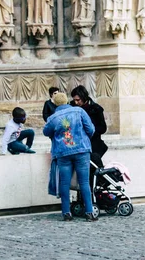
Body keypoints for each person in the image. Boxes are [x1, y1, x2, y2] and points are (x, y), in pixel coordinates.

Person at [43, 92, 97, 222]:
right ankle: (89, 212)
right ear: (67, 101)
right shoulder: (79, 111)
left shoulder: (53, 118)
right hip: (81, 149)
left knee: (64, 183)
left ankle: (66, 212)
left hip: (63, 152)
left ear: (54, 103)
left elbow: (46, 132)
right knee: (84, 182)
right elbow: (90, 129)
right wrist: (84, 138)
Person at [70, 85, 108, 159]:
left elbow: (103, 128)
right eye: (74, 100)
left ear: (84, 97)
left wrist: (89, 130)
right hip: (76, 144)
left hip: (92, 144)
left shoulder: (96, 109)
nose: (76, 102)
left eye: (78, 100)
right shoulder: (72, 107)